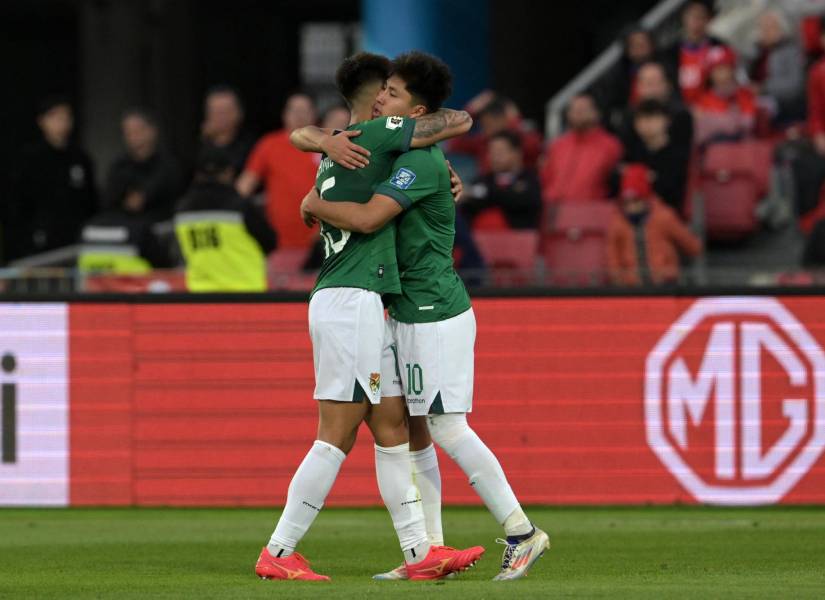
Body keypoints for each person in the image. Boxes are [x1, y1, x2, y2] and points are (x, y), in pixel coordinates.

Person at [301, 50, 549, 582]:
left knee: (445, 425)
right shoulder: (396, 151)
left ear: (415, 112)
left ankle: (522, 531)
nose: (383, 97)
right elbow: (308, 134)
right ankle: (429, 553)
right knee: (415, 432)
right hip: (402, 309)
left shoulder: (421, 161)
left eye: (393, 92)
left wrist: (315, 204)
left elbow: (370, 218)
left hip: (435, 309)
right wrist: (321, 141)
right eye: (382, 89)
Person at [254, 52, 482, 582]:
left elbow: (301, 136)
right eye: (389, 90)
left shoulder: (338, 150)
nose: (390, 99)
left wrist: (317, 176)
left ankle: (418, 552)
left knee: (392, 424)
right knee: (335, 434)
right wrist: (439, 162)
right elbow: (459, 120)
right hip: (350, 299)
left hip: (358, 300)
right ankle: (279, 552)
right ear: (376, 95)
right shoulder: (376, 137)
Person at [6, 96, 97, 260]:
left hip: (75, 240)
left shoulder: (80, 158)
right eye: (55, 117)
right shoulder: (29, 159)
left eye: (66, 117)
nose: (62, 122)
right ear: (42, 121)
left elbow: (90, 201)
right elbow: (17, 204)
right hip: (39, 243)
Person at [175, 146, 276, 292]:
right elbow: (270, 242)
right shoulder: (239, 205)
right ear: (228, 173)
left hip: (201, 294)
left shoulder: (182, 209)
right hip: (247, 292)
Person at [236, 93, 320, 255]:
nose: (299, 116)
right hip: (279, 244)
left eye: (304, 110)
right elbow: (244, 186)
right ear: (284, 114)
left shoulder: (327, 145)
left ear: (314, 114)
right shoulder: (269, 145)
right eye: (293, 110)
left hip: (321, 244)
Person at [607, 163, 702, 286]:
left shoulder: (664, 217)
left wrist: (670, 268)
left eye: (636, 201)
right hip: (631, 289)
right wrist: (620, 280)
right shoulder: (617, 224)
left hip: (665, 286)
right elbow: (612, 260)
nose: (632, 207)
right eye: (627, 202)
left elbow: (693, 247)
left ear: (646, 198)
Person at [103, 108, 183, 221]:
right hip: (125, 224)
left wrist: (144, 195)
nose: (133, 137)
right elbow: (110, 198)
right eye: (128, 132)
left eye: (138, 130)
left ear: (152, 131)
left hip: (159, 224)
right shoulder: (119, 165)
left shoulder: (167, 165)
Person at [541, 94, 622, 203]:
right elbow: (546, 178)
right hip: (554, 211)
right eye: (573, 109)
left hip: (590, 211)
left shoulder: (610, 145)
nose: (577, 113)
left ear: (596, 113)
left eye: (582, 109)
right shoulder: (558, 145)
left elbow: (614, 184)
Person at [459, 130, 542, 230]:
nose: (495, 157)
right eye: (492, 152)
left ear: (517, 153)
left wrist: (487, 193)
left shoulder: (530, 179)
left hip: (519, 241)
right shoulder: (484, 180)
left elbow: (526, 201)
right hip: (480, 241)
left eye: (500, 151)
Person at [622, 99, 690, 214]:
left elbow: (673, 189)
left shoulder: (678, 154)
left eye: (652, 118)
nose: (646, 124)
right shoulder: (631, 153)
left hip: (667, 215)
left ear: (667, 121)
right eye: (641, 119)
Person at [447, 93, 542, 175]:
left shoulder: (519, 138)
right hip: (488, 191)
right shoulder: (482, 141)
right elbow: (454, 144)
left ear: (503, 119)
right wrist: (470, 111)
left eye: (490, 124)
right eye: (484, 125)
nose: (486, 129)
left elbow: (535, 146)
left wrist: (515, 119)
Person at [619, 61, 694, 152]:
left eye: (655, 82)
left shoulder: (681, 115)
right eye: (645, 82)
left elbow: (682, 153)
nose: (650, 88)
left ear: (668, 85)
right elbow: (625, 152)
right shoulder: (630, 115)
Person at [747, 11, 806, 126]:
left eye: (771, 27)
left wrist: (764, 88)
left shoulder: (792, 51)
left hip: (785, 108)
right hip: (753, 103)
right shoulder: (755, 51)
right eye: (762, 27)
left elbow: (795, 85)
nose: (765, 32)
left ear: (782, 30)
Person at [663, 0, 725, 105]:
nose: (696, 22)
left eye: (702, 17)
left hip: (713, 109)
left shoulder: (720, 48)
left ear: (709, 20)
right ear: (684, 18)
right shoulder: (670, 52)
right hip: (681, 110)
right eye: (692, 16)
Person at [693, 45, 757, 147]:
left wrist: (714, 121)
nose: (722, 74)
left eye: (724, 67)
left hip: (742, 150)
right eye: (716, 69)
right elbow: (700, 134)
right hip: (714, 153)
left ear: (732, 69)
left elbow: (748, 124)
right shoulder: (703, 99)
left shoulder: (745, 94)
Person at [597, 27, 660, 126]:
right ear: (627, 48)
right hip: (631, 120)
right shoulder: (617, 73)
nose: (640, 47)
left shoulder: (665, 65)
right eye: (635, 44)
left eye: (643, 43)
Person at [77, 210, 171, 275]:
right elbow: (162, 263)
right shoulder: (138, 226)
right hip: (134, 293)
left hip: (92, 293)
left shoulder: (89, 226)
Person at [199, 85, 255, 176]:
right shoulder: (196, 144)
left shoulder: (253, 147)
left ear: (239, 113)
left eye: (226, 111)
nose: (221, 117)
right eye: (215, 111)